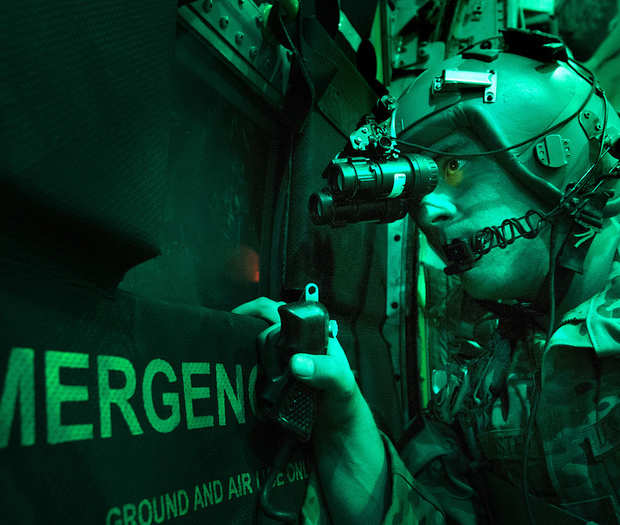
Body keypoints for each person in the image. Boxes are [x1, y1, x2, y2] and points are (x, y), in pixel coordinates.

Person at [233, 35, 620, 525]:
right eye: (421, 188)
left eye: (454, 167)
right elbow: (427, 514)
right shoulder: (484, 381)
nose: (428, 212)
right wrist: (342, 415)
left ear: (554, 156)